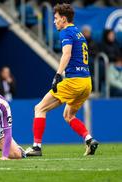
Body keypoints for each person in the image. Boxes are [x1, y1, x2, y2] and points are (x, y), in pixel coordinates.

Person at [25, 3, 99, 157]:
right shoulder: (79, 33)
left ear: (64, 19)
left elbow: (67, 54)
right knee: (68, 115)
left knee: (39, 109)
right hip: (86, 82)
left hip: (74, 81)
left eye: (56, 18)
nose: (54, 21)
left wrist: (58, 74)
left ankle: (36, 147)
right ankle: (89, 139)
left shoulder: (66, 32)